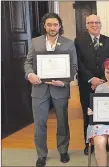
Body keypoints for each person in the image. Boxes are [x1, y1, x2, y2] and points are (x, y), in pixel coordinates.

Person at [24, 13, 78, 167]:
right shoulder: (35, 42)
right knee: (39, 123)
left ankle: (63, 151)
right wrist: (30, 74)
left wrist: (65, 81)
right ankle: (41, 154)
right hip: (39, 88)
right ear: (44, 26)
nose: (52, 28)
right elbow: (27, 63)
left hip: (60, 89)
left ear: (59, 26)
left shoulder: (68, 43)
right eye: (49, 25)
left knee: (62, 122)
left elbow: (74, 67)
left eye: (55, 24)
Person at [74, 14, 109, 155]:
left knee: (105, 114)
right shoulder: (78, 41)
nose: (94, 25)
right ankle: (88, 143)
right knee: (88, 114)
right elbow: (78, 63)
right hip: (87, 85)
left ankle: (104, 142)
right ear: (86, 25)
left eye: (97, 22)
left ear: (101, 24)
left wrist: (103, 81)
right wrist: (91, 79)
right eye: (91, 22)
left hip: (106, 85)